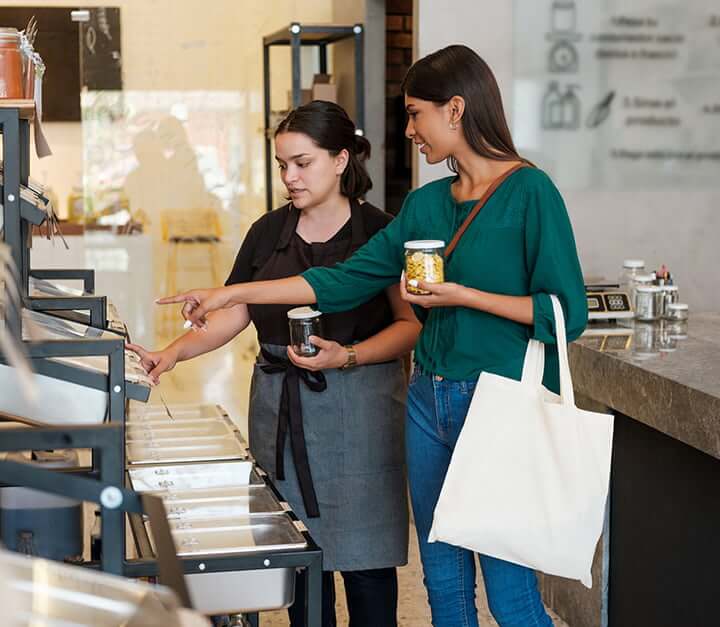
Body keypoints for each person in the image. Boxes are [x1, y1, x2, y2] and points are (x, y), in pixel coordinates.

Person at [159, 45, 588, 627]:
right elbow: (343, 279)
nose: (409, 129)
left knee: (508, 587)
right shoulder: (426, 203)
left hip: (496, 399)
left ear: (456, 109)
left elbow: (567, 311)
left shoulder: (531, 193)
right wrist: (234, 293)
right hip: (427, 401)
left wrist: (461, 295)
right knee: (444, 581)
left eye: (415, 113)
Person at [130, 101, 420, 627]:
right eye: (282, 164)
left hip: (364, 416)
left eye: (302, 163)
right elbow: (233, 312)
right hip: (282, 414)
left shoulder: (383, 232)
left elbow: (410, 327)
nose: (289, 176)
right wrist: (169, 354)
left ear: (340, 160)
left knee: (369, 569)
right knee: (298, 568)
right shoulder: (267, 233)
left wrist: (348, 355)